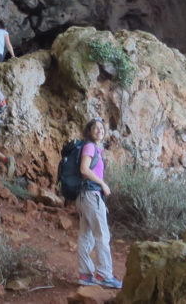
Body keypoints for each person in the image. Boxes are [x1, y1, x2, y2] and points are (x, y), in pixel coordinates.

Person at [76, 118, 122, 289]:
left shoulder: (94, 149)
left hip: (86, 196)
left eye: (102, 128)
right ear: (89, 131)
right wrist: (103, 184)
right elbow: (84, 169)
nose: (99, 131)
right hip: (91, 194)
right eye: (95, 128)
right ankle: (104, 275)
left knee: (86, 235)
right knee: (102, 235)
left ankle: (85, 274)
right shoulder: (90, 147)